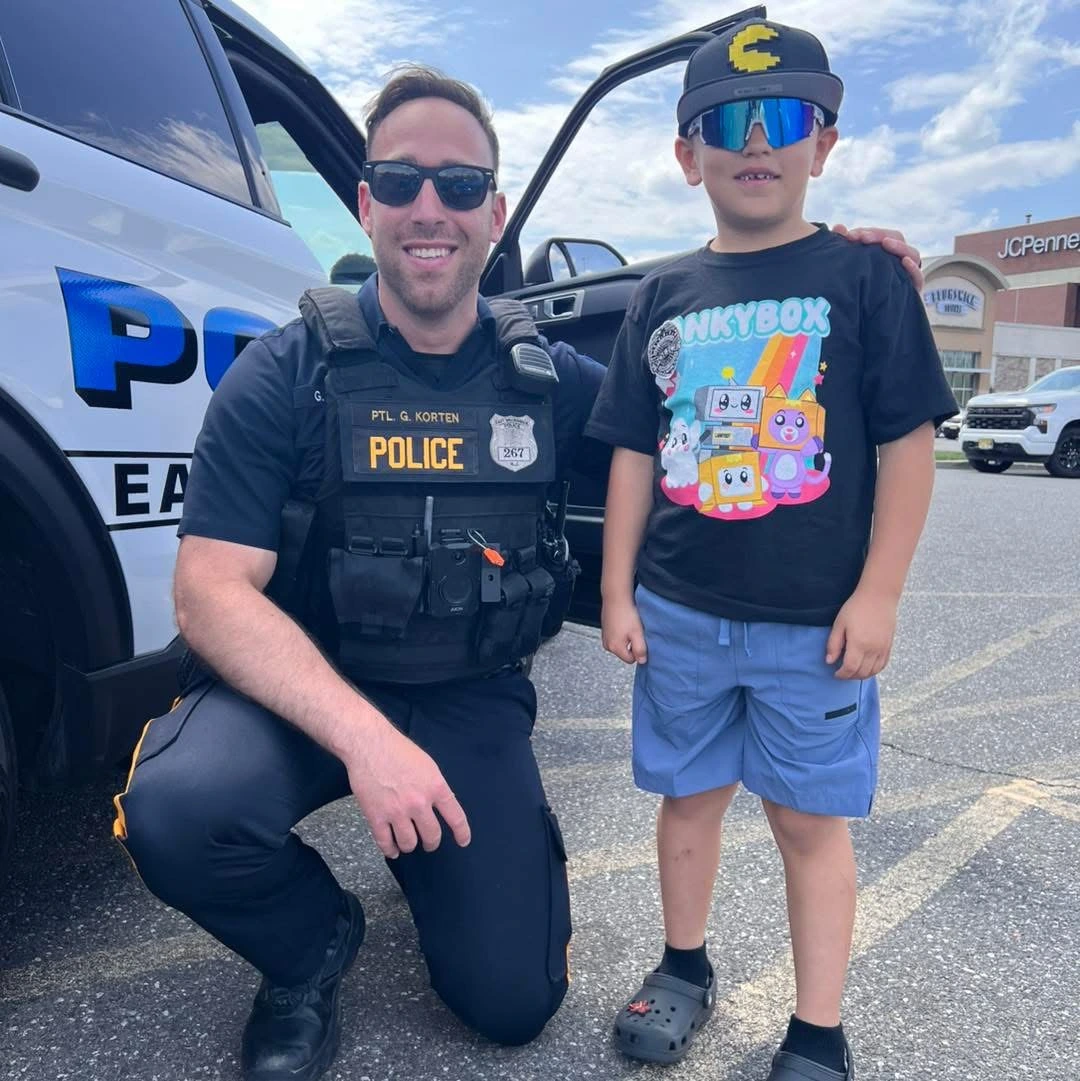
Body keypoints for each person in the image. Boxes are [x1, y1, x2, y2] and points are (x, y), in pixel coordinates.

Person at [109, 60, 928, 1081]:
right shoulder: (287, 374)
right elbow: (210, 593)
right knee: (180, 813)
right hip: (302, 697)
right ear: (364, 202)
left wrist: (831, 283)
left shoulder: (546, 378)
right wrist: (368, 742)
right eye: (400, 181)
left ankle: (444, 868)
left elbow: (726, 441)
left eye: (459, 187)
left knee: (511, 1003)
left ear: (494, 212)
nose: (429, 208)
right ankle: (307, 947)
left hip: (467, 701)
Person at [586, 21, 957, 1081]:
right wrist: (617, 589)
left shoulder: (866, 278)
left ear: (823, 144)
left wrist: (879, 594)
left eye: (784, 118)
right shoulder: (660, 295)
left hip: (815, 626)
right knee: (688, 799)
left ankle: (818, 1030)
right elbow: (630, 453)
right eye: (728, 123)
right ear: (687, 153)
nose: (757, 142)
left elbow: (907, 446)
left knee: (807, 821)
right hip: (681, 615)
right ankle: (684, 965)